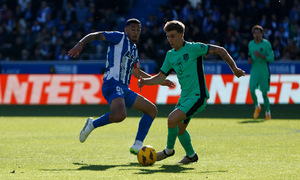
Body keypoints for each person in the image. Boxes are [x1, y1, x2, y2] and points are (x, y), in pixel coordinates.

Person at [138, 20, 245, 164]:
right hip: (185, 97)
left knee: (171, 119)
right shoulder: (170, 55)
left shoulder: (194, 48)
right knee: (180, 129)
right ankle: (191, 155)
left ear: (182, 35)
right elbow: (160, 77)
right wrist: (145, 81)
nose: (170, 40)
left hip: (198, 95)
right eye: (168, 36)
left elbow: (220, 50)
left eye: (173, 36)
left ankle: (168, 151)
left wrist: (235, 69)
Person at [68, 18, 174, 155]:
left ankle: (137, 144)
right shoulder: (118, 37)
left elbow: (136, 72)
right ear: (126, 29)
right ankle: (92, 125)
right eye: (133, 29)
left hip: (125, 89)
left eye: (138, 29)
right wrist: (80, 43)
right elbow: (97, 35)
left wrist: (159, 80)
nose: (136, 32)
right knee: (120, 114)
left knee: (151, 110)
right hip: (112, 83)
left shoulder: (134, 49)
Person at [248, 25, 274, 120]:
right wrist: (249, 60)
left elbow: (272, 58)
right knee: (251, 90)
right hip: (254, 71)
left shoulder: (266, 44)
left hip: (264, 72)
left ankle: (267, 111)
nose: (257, 35)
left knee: (264, 94)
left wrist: (261, 56)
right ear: (253, 35)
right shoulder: (251, 44)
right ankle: (257, 106)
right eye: (255, 33)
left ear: (262, 34)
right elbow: (249, 55)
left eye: (258, 33)